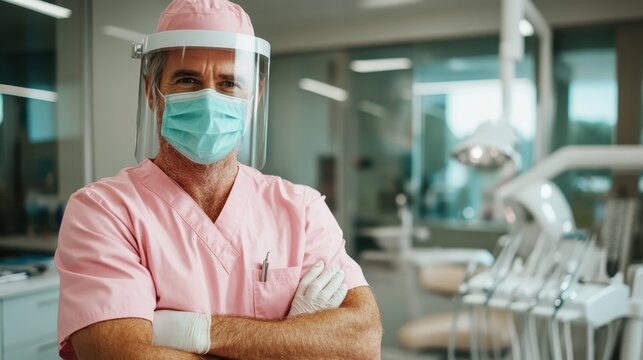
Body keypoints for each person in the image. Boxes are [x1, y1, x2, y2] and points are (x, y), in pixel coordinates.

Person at [54, 0, 382, 359]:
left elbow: (361, 341)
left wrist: (195, 331)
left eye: (229, 83)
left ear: (252, 99)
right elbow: (122, 355)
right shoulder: (104, 212)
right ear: (152, 92)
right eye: (187, 79)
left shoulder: (300, 210)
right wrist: (294, 340)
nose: (209, 99)